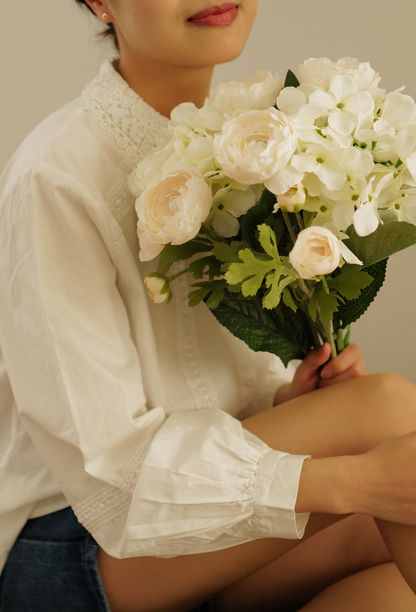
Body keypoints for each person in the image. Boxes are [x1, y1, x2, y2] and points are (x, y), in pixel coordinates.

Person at [0, 1, 416, 611]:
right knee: (385, 412)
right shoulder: (57, 174)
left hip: (192, 519)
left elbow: (206, 387)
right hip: (76, 547)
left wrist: (285, 403)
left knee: (389, 583)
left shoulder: (249, 141)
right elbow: (110, 477)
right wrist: (348, 478)